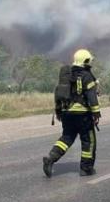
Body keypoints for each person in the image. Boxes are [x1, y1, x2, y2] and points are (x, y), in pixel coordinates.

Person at [43, 49, 101, 178]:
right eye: (89, 60)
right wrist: (96, 114)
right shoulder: (87, 75)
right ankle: (86, 169)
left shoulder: (67, 75)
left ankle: (50, 158)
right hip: (83, 115)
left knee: (66, 138)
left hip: (67, 114)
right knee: (88, 141)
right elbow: (92, 97)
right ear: (86, 61)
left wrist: (59, 111)